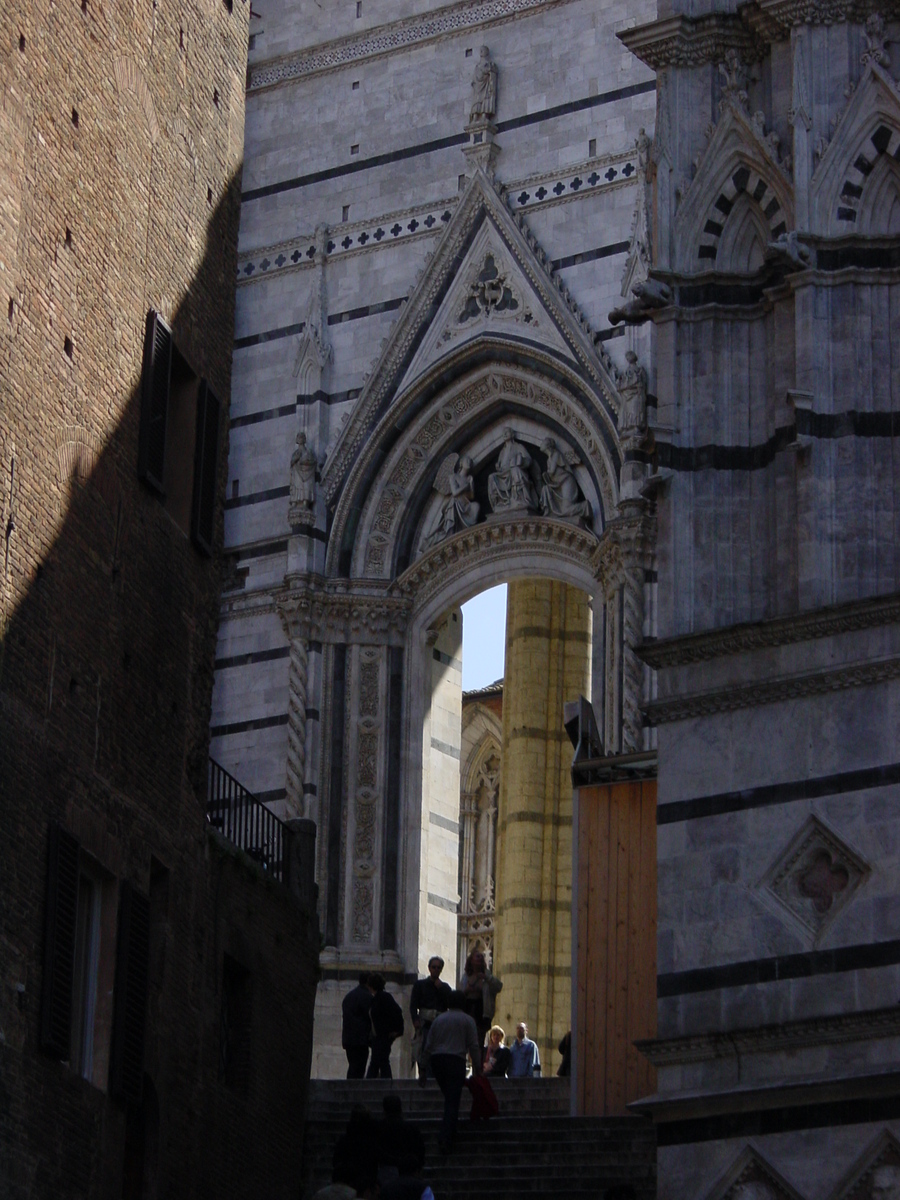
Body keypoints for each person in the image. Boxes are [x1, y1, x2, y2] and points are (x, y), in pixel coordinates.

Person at [423, 989, 481, 1154]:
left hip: (438, 1060)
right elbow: (473, 1046)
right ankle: (446, 1136)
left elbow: (429, 1045)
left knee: (450, 1097)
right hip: (455, 1061)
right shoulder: (468, 1020)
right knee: (452, 1100)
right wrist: (478, 1066)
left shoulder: (439, 1019)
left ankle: (450, 1130)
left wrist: (423, 1068)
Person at [410, 955, 452, 1084]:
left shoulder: (445, 987)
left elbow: (450, 1003)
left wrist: (441, 989)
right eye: (433, 967)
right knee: (423, 1050)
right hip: (425, 1023)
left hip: (440, 1024)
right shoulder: (420, 985)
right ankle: (424, 1075)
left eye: (438, 967)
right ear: (429, 968)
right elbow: (413, 1005)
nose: (436, 970)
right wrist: (415, 1020)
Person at [330, 1105, 380, 1198]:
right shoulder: (372, 1141)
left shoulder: (345, 1140)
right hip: (366, 1182)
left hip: (349, 1180)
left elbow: (336, 1161)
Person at [374, 1095, 425, 1185]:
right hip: (408, 1171)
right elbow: (420, 1150)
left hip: (386, 1169)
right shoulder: (411, 1129)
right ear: (400, 1109)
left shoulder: (378, 1128)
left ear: (384, 1110)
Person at [458, 949, 502, 1044]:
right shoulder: (466, 977)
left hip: (481, 1010)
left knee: (479, 1039)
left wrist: (486, 978)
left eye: (481, 957)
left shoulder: (486, 975)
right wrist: (468, 990)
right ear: (471, 960)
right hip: (468, 1008)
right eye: (477, 956)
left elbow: (498, 986)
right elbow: (460, 994)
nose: (480, 958)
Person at [367, 973, 404, 1079]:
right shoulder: (376, 998)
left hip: (383, 1036)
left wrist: (396, 1031)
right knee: (379, 1062)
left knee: (379, 1062)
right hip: (378, 1036)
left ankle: (373, 1084)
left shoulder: (383, 998)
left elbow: (396, 1012)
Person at [341, 973, 373, 1079]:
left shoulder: (349, 996)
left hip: (348, 1039)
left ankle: (349, 1089)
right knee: (359, 1068)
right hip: (361, 1040)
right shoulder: (368, 997)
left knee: (353, 1066)